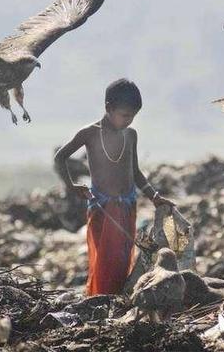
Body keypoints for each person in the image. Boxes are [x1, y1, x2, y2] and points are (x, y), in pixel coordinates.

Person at [54, 78, 175, 295]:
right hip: (102, 207)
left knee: (122, 258)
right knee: (105, 261)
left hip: (127, 206)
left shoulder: (130, 135)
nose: (129, 121)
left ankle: (118, 299)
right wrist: (71, 186)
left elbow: (135, 172)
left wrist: (154, 196)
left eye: (133, 116)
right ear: (108, 108)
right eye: (125, 115)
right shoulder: (89, 133)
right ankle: (102, 299)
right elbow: (60, 157)